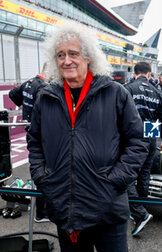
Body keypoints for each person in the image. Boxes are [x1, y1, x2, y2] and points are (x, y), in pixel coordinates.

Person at [27, 24, 148, 252]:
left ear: (88, 57)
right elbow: (34, 142)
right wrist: (43, 177)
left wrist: (115, 180)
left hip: (108, 209)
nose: (66, 61)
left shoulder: (115, 93)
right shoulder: (45, 98)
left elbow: (137, 141)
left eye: (73, 53)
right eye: (60, 55)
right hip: (65, 209)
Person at [124, 62, 162, 236]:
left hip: (132, 135)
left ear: (135, 74)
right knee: (144, 174)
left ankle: (139, 213)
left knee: (125, 176)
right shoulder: (158, 92)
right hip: (150, 134)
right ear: (150, 75)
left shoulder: (127, 88)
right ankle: (139, 210)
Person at [9, 64, 49, 223]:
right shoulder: (43, 87)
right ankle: (42, 213)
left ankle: (43, 210)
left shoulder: (29, 82)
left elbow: (13, 94)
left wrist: (22, 105)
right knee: (44, 171)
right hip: (40, 133)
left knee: (39, 168)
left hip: (30, 130)